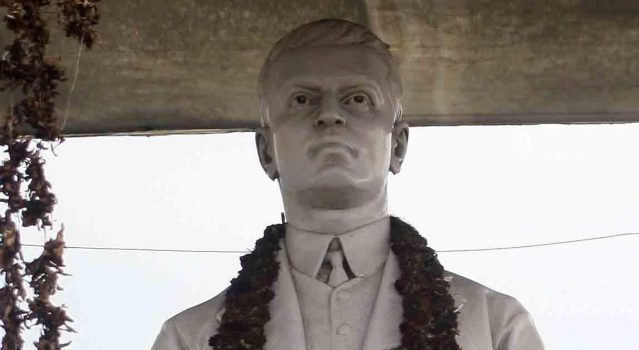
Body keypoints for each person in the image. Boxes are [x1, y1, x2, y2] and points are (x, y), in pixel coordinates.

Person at [151, 19, 544, 350]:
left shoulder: (494, 327)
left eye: (357, 99)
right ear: (266, 151)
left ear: (399, 146)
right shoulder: (190, 339)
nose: (329, 116)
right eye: (302, 100)